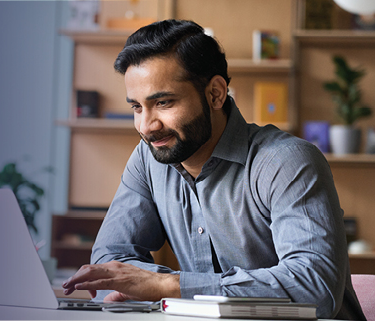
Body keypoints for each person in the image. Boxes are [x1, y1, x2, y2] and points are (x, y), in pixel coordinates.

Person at [62, 19, 366, 320]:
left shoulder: (287, 162)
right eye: (137, 107)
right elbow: (110, 260)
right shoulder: (148, 158)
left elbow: (315, 288)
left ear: (216, 94)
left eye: (164, 102)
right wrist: (159, 287)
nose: (146, 126)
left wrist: (169, 286)